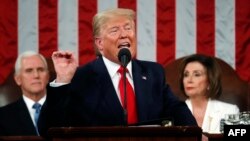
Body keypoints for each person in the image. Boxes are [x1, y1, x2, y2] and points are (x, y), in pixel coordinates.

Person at [44, 8, 197, 130]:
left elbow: (177, 109)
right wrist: (63, 81)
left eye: (128, 28)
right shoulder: (82, 77)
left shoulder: (153, 73)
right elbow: (48, 128)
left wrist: (195, 133)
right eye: (115, 30)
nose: (124, 35)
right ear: (100, 43)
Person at [179, 54, 239, 133]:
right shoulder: (172, 113)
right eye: (186, 75)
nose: (189, 80)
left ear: (210, 81)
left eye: (197, 74)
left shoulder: (230, 111)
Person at [0, 51, 49, 136]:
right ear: (18, 79)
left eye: (40, 70)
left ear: (47, 77)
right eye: (29, 71)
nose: (36, 75)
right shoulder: (2, 116)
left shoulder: (67, 111)